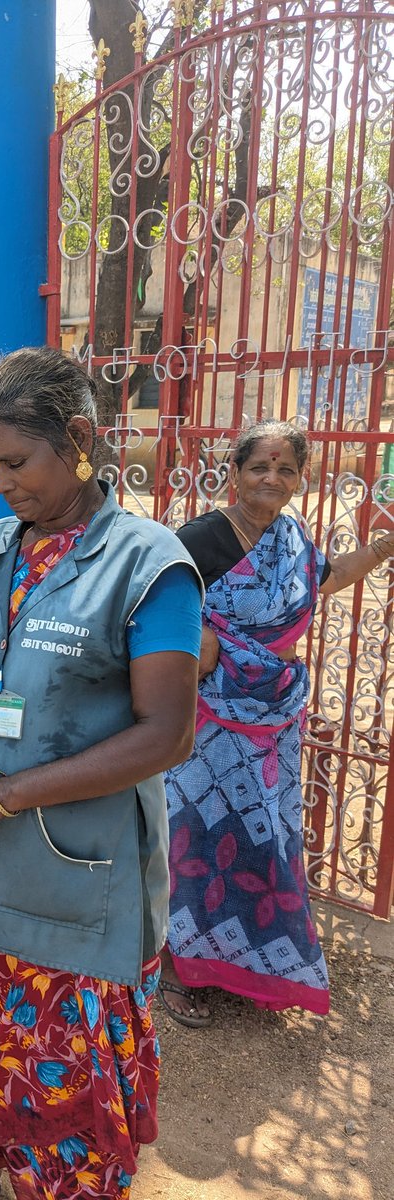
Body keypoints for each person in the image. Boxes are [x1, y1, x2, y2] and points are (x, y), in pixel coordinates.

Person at [0, 347, 203, 1200]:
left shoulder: (149, 565)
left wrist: (2, 794)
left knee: (70, 1077)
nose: (2, 483)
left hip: (74, 883)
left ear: (81, 438)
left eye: (17, 462)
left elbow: (166, 735)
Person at [158, 420, 394, 1027]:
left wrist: (382, 548)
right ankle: (177, 969)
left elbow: (326, 581)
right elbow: (154, 601)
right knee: (197, 839)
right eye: (259, 467)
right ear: (234, 474)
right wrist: (201, 636)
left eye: (285, 469)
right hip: (208, 721)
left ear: (300, 480)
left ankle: (239, 960)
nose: (271, 478)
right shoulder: (203, 538)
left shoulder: (290, 538)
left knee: (264, 838)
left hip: (273, 719)